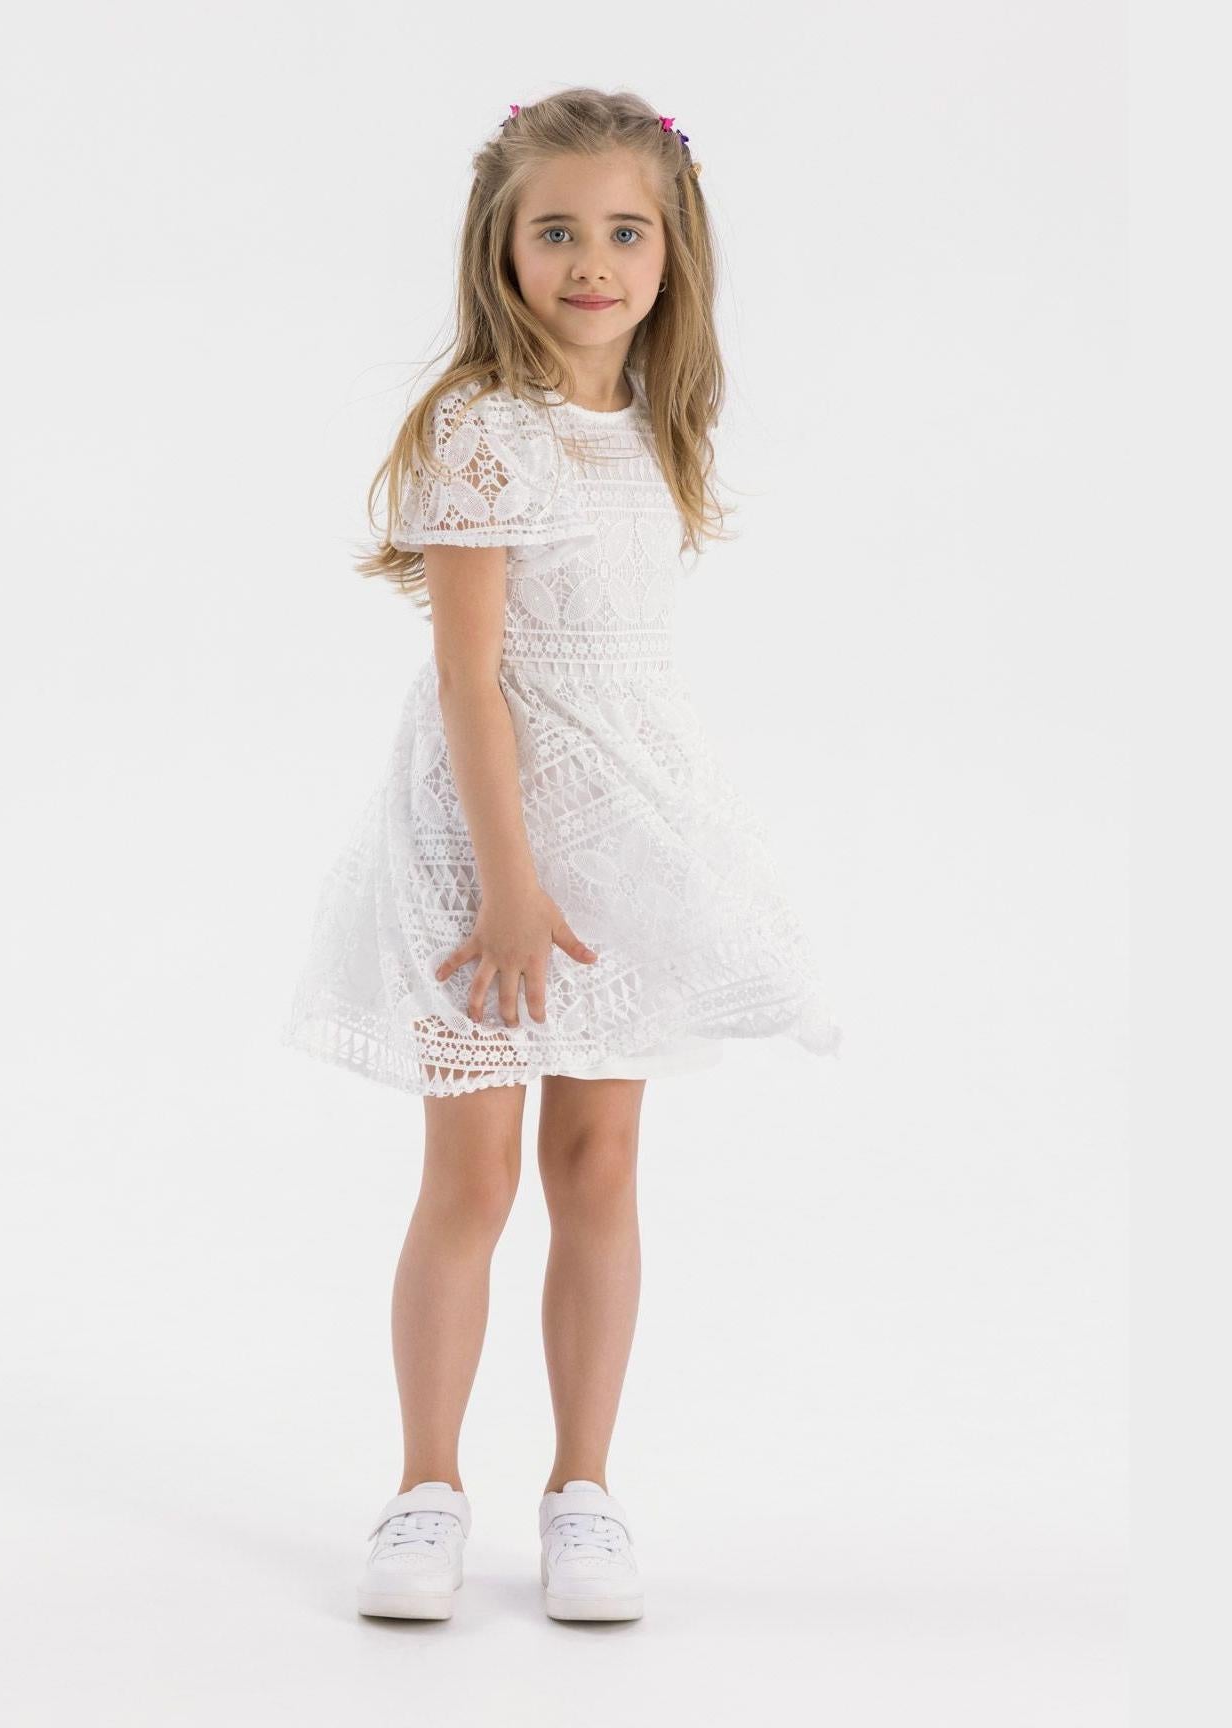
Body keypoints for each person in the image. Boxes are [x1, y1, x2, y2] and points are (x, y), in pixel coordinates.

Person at [280, 88, 843, 1623]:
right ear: (501, 247)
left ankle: (584, 1491)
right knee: (471, 1176)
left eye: (624, 231)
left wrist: (605, 866)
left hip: (620, 835)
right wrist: (510, 885)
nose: (592, 261)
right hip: (485, 848)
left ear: (673, 251)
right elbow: (473, 678)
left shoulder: (652, 427)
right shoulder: (485, 430)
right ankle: (425, 1490)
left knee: (601, 1166)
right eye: (557, 231)